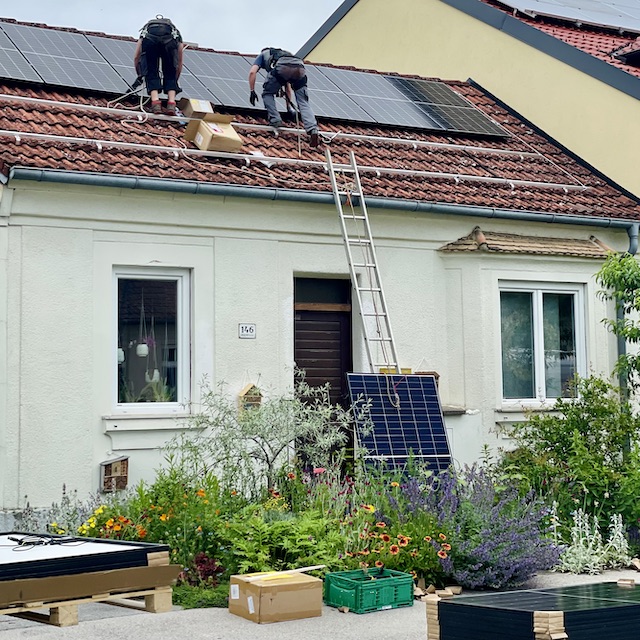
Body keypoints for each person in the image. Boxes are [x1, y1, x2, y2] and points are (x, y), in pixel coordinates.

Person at [248, 48, 320, 148]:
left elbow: (252, 72)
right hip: (300, 66)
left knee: (267, 93)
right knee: (303, 101)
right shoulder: (284, 54)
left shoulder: (262, 55)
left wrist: (252, 91)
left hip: (282, 68)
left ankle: (275, 120)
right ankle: (313, 129)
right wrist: (288, 108)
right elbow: (287, 86)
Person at [134, 16, 184, 115]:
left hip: (149, 42)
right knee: (170, 70)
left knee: (151, 70)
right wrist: (175, 77)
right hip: (169, 44)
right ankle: (171, 104)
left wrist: (140, 73)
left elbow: (136, 57)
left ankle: (156, 103)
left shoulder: (145, 34)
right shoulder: (176, 35)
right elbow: (179, 61)